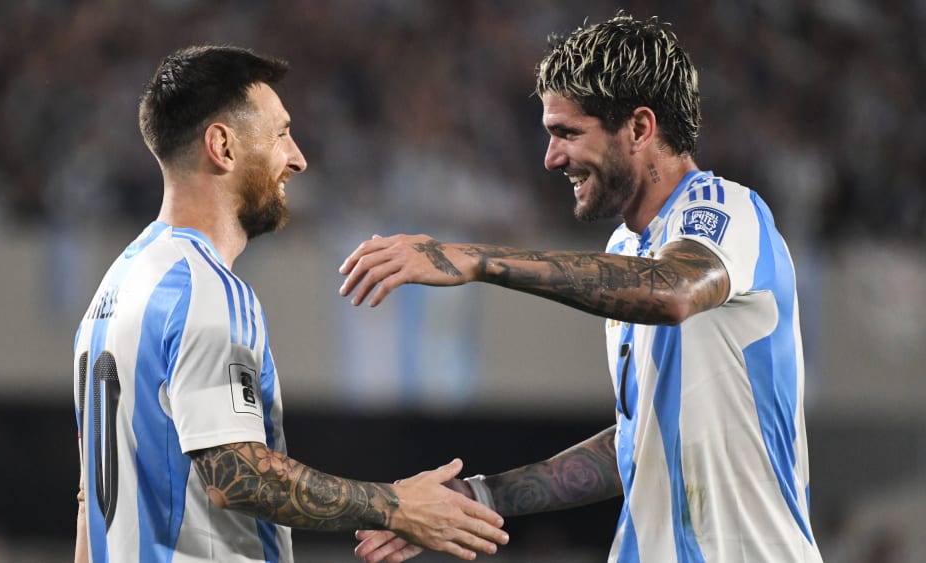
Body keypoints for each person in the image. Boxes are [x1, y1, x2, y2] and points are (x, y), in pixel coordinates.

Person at [340, 13, 823, 563]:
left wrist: (476, 259)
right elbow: (635, 443)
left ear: (639, 129)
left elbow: (672, 291)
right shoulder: (626, 249)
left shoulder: (728, 210)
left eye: (568, 133)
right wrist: (477, 496)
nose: (551, 158)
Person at [72, 45, 508, 563]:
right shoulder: (204, 289)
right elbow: (236, 475)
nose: (298, 158)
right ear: (222, 146)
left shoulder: (116, 287)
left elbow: (89, 503)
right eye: (280, 134)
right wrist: (396, 506)